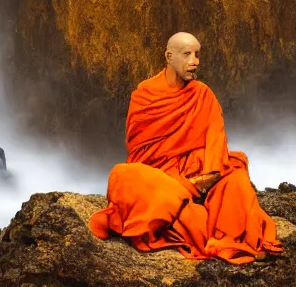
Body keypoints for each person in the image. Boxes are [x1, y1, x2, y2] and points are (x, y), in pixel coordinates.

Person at [88, 32, 283, 263]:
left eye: (197, 54)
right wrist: (182, 182)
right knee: (125, 174)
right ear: (169, 57)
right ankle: (207, 229)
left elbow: (215, 140)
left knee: (236, 177)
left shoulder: (202, 94)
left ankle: (237, 240)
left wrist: (208, 176)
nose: (195, 61)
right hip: (160, 172)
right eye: (187, 54)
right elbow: (139, 152)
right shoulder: (144, 95)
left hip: (198, 169)